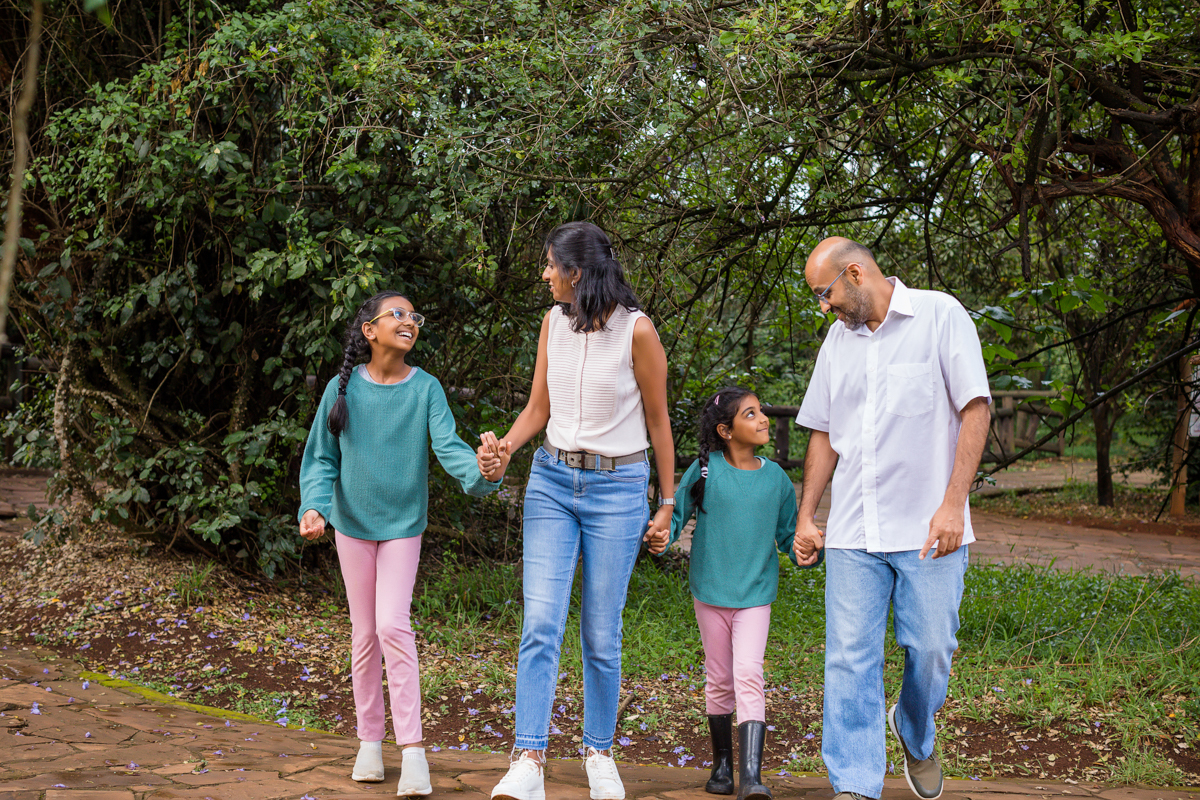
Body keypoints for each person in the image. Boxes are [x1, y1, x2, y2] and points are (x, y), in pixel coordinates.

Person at [476, 221, 676, 800]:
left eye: (550, 265)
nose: (544, 274)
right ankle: (528, 759)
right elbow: (539, 406)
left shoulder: (637, 331)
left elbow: (659, 423)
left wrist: (665, 504)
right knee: (541, 622)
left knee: (600, 632)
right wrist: (504, 451)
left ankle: (598, 752)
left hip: (619, 490)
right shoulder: (551, 325)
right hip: (552, 483)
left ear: (577, 272)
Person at [792, 237, 991, 800]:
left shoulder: (939, 315)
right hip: (855, 530)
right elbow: (824, 433)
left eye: (825, 292)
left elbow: (975, 408)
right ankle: (855, 784)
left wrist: (954, 503)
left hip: (930, 527)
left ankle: (913, 726)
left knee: (931, 647)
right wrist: (808, 516)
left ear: (855, 273)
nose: (824, 306)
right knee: (849, 658)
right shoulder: (838, 341)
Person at [298, 291, 505, 796]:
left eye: (415, 315)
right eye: (398, 314)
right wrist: (314, 506)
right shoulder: (341, 389)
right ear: (369, 330)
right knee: (364, 633)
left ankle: (413, 751)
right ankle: (370, 742)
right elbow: (322, 457)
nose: (409, 320)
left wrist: (483, 472)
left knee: (393, 623)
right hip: (350, 524)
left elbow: (450, 448)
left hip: (402, 527)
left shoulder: (426, 389)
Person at [646, 387, 820, 800]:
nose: (762, 419)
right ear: (725, 430)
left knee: (748, 673)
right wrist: (660, 537)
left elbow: (787, 537)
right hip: (709, 592)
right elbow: (675, 519)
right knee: (720, 678)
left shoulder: (776, 479)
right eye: (750, 414)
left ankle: (752, 777)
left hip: (755, 595)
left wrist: (807, 552)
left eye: (761, 411)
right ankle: (722, 766)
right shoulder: (703, 473)